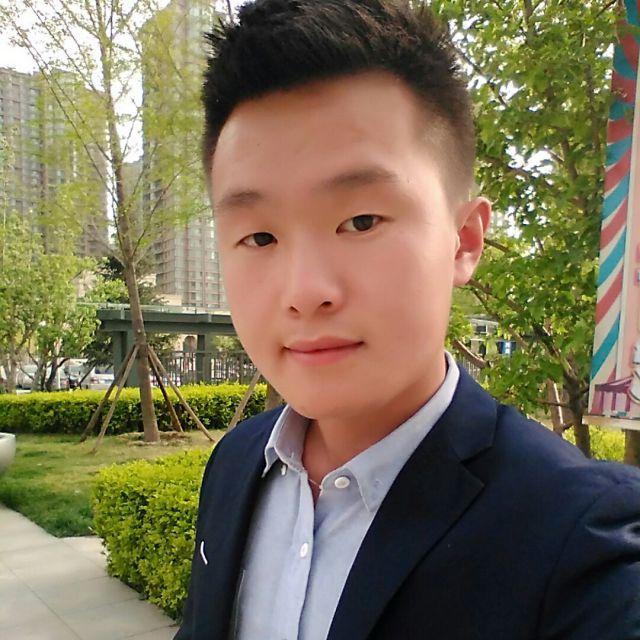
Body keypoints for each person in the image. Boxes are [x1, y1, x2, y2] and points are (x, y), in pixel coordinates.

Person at [174, 1, 640, 638]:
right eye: (259, 237)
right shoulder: (235, 464)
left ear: (465, 240)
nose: (305, 293)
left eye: (361, 221)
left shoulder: (580, 540)